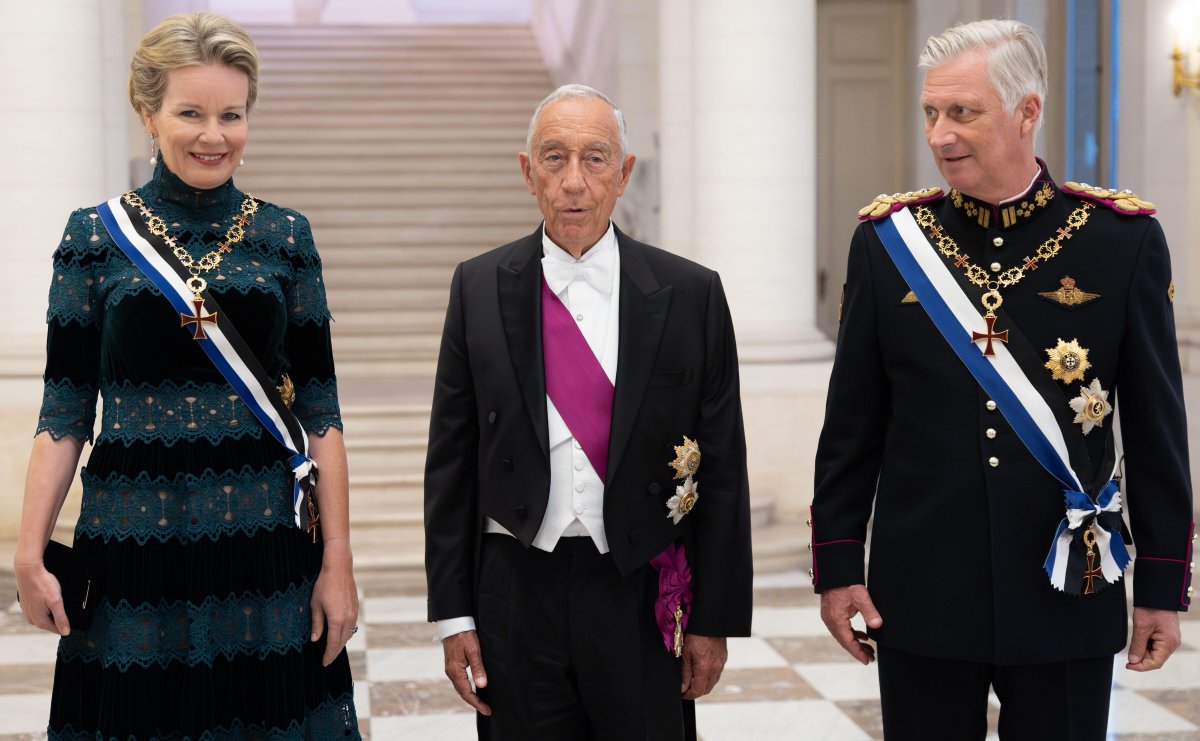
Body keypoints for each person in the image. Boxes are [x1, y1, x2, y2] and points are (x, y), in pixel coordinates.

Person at [812, 19, 1194, 740]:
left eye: (963, 112)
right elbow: (852, 426)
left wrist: (1161, 586)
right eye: (932, 112)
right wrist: (837, 563)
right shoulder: (889, 244)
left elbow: (1155, 431)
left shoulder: (1121, 242)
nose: (940, 134)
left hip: (1066, 588)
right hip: (920, 589)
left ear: (1027, 111)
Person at [13, 13, 360, 739]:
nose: (214, 135)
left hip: (264, 545)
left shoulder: (286, 237)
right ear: (148, 114)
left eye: (231, 114)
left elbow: (321, 412)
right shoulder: (93, 237)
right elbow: (65, 408)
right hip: (134, 545)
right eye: (191, 113)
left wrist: (338, 563)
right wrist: (27, 547)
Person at [423, 83, 753, 740]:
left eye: (595, 158)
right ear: (527, 171)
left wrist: (714, 618)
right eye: (554, 158)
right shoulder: (478, 287)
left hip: (638, 586)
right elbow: (450, 462)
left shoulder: (692, 294)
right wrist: (454, 615)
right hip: (516, 585)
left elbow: (724, 468)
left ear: (625, 173)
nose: (574, 181)